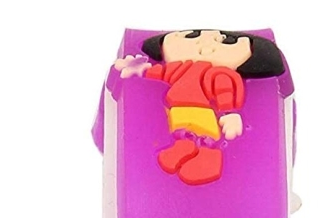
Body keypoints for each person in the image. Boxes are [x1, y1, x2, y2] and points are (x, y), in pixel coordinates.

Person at [114, 29, 285, 185]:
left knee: (205, 138)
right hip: (178, 110)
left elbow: (224, 92)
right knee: (183, 132)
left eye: (226, 42)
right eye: (191, 37)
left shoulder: (220, 74)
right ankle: (184, 147)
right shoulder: (181, 68)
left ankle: (208, 161)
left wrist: (229, 113)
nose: (205, 46)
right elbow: (161, 73)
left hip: (203, 112)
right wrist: (139, 68)